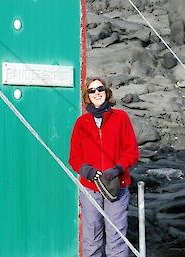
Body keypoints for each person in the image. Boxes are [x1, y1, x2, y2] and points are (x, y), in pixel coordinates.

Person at [68, 77, 139, 257]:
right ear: (87, 96)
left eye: (100, 89)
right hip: (91, 189)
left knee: (116, 238)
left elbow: (132, 152)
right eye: (92, 91)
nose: (96, 93)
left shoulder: (121, 118)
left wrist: (117, 169)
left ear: (106, 92)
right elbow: (74, 158)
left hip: (117, 186)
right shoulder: (81, 123)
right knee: (92, 239)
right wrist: (87, 171)